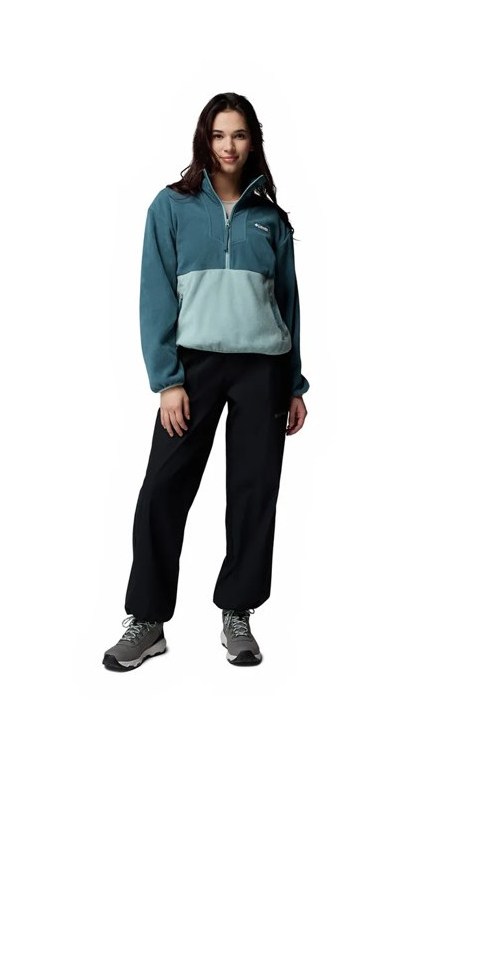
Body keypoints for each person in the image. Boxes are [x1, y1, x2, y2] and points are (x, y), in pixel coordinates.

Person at [103, 92, 310, 673]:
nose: (228, 146)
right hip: (192, 369)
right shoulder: (171, 206)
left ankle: (238, 613)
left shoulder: (270, 217)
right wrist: (167, 380)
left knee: (253, 492)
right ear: (204, 138)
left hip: (262, 369)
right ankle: (147, 620)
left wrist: (293, 383)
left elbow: (288, 304)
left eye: (239, 135)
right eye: (219, 135)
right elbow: (154, 294)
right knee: (162, 490)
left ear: (253, 141)